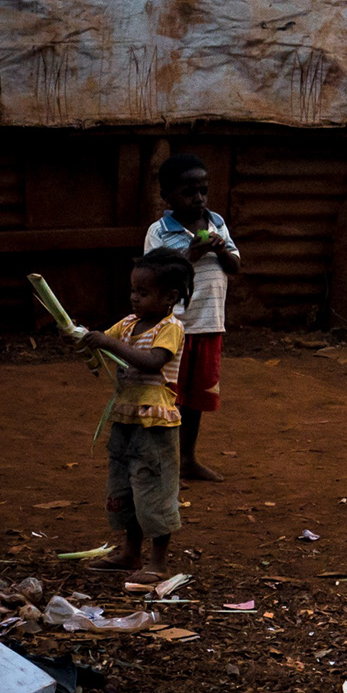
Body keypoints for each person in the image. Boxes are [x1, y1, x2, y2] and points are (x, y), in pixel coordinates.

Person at [81, 248, 193, 582]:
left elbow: (151, 362)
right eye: (133, 290)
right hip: (126, 418)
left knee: (154, 489)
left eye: (143, 293)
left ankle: (158, 563)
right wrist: (80, 336)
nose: (134, 298)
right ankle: (130, 553)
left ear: (170, 297)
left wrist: (105, 342)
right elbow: (103, 342)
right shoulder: (129, 324)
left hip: (155, 423)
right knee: (126, 485)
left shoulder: (171, 328)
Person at [144, 153, 241, 481]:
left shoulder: (217, 224)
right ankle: (163, 465)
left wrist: (220, 249)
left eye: (203, 190)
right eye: (189, 192)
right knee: (169, 398)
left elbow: (236, 266)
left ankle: (186, 459)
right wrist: (191, 255)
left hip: (210, 324)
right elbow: (153, 276)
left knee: (196, 399)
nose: (198, 198)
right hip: (175, 329)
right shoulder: (159, 232)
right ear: (167, 197)